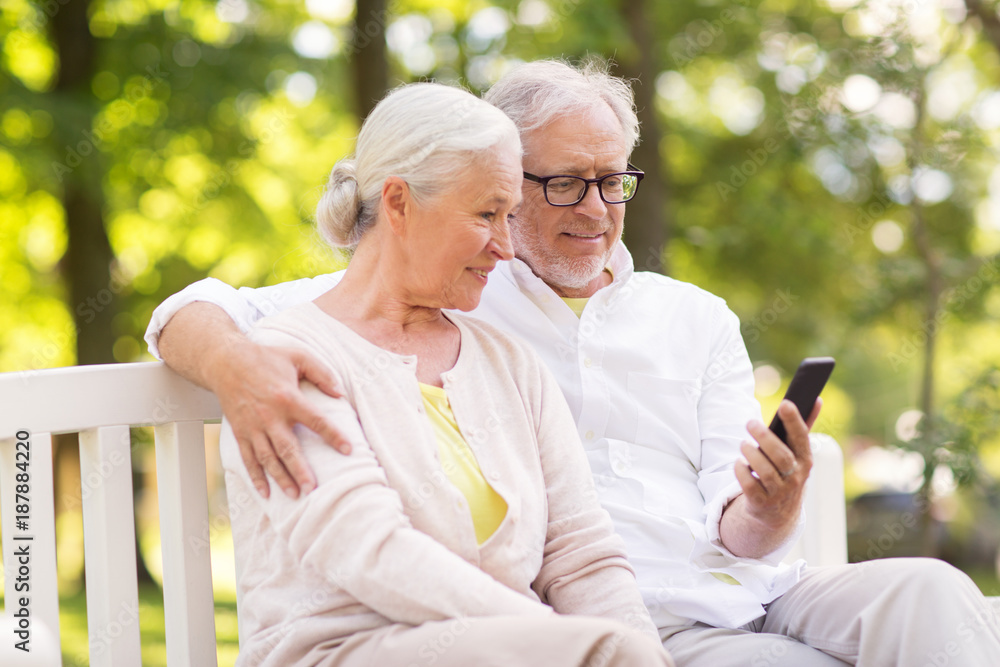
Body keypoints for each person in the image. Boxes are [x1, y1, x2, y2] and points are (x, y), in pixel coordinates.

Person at [147, 61, 1000, 666]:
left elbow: (722, 532)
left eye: (612, 182)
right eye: (557, 186)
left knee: (933, 592)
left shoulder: (689, 318)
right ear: (496, 181)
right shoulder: (456, 290)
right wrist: (235, 367)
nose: (594, 210)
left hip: (740, 593)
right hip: (598, 630)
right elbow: (207, 312)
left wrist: (771, 502)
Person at [213, 81, 672, 667]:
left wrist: (639, 652)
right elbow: (371, 551)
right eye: (486, 214)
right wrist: (565, 644)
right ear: (399, 203)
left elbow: (581, 553)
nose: (506, 248)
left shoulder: (508, 364)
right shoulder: (291, 360)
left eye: (509, 216)